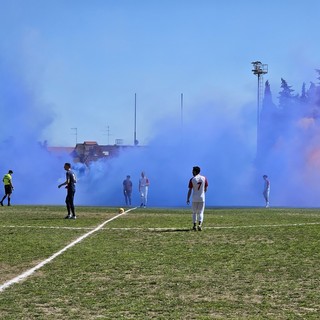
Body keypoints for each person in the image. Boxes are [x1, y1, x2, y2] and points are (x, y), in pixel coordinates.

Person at [187, 166, 208, 231]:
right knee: (201, 212)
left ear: (195, 171)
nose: (192, 172)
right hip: (202, 198)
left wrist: (188, 198)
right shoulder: (204, 178)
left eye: (192, 171)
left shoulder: (192, 179)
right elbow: (206, 188)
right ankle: (199, 224)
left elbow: (190, 190)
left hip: (194, 198)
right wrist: (202, 194)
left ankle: (194, 225)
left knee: (194, 212)